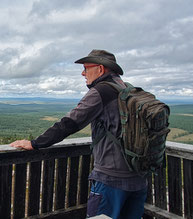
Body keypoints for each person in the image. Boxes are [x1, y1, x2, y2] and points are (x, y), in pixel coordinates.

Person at [10, 49, 147, 219]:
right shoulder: (128, 89)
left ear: (101, 69)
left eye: (86, 68)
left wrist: (35, 143)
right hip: (139, 177)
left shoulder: (101, 91)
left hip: (111, 179)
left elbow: (69, 123)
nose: (83, 73)